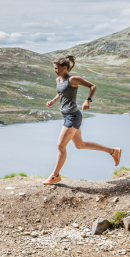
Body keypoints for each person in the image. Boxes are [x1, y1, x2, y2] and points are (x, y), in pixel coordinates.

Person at [42, 55, 121, 185]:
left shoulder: (73, 79)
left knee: (60, 146)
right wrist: (54, 100)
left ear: (64, 68)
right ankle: (113, 151)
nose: (54, 70)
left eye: (56, 68)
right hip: (67, 116)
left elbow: (93, 86)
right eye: (54, 68)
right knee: (80, 145)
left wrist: (87, 100)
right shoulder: (58, 80)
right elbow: (60, 93)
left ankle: (55, 175)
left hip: (73, 117)